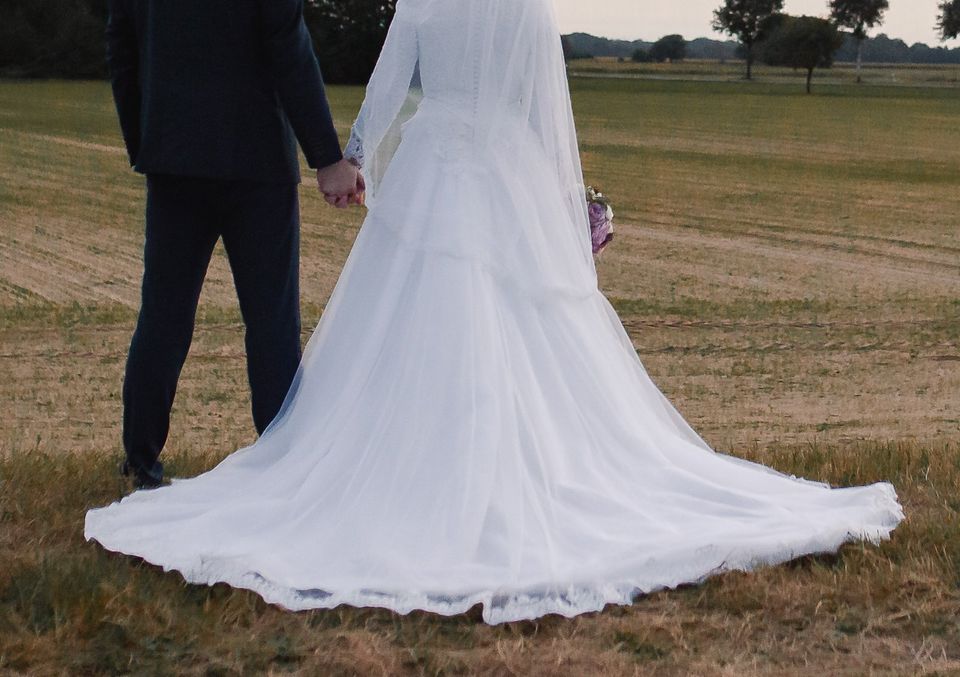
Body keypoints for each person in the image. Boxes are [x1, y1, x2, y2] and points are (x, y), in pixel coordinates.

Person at [87, 0, 904, 624]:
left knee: (184, 312)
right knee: (298, 319)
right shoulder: (524, 7)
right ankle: (310, 448)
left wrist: (356, 152)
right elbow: (542, 111)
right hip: (492, 168)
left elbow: (378, 76)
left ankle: (165, 455)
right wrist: (562, 204)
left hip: (366, 162)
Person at [105, 0, 364, 489]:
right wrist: (327, 159)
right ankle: (279, 460)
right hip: (258, 161)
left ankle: (140, 459)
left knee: (163, 313)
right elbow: (290, 50)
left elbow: (121, 46)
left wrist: (144, 140)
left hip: (174, 159)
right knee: (270, 320)